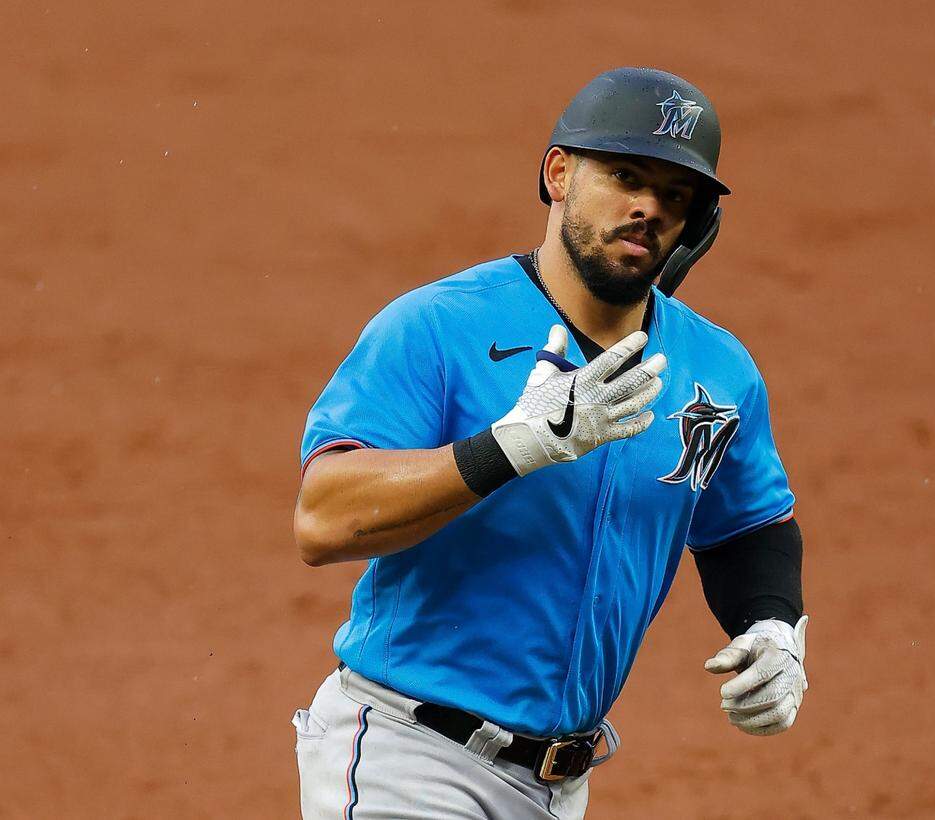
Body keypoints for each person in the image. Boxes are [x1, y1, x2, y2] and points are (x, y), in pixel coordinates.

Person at [291, 66, 809, 820]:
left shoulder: (716, 369)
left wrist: (771, 625)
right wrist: (510, 448)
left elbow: (748, 526)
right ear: (558, 174)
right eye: (625, 176)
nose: (646, 207)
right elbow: (322, 519)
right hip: (411, 759)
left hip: (560, 787)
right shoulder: (437, 326)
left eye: (673, 195)